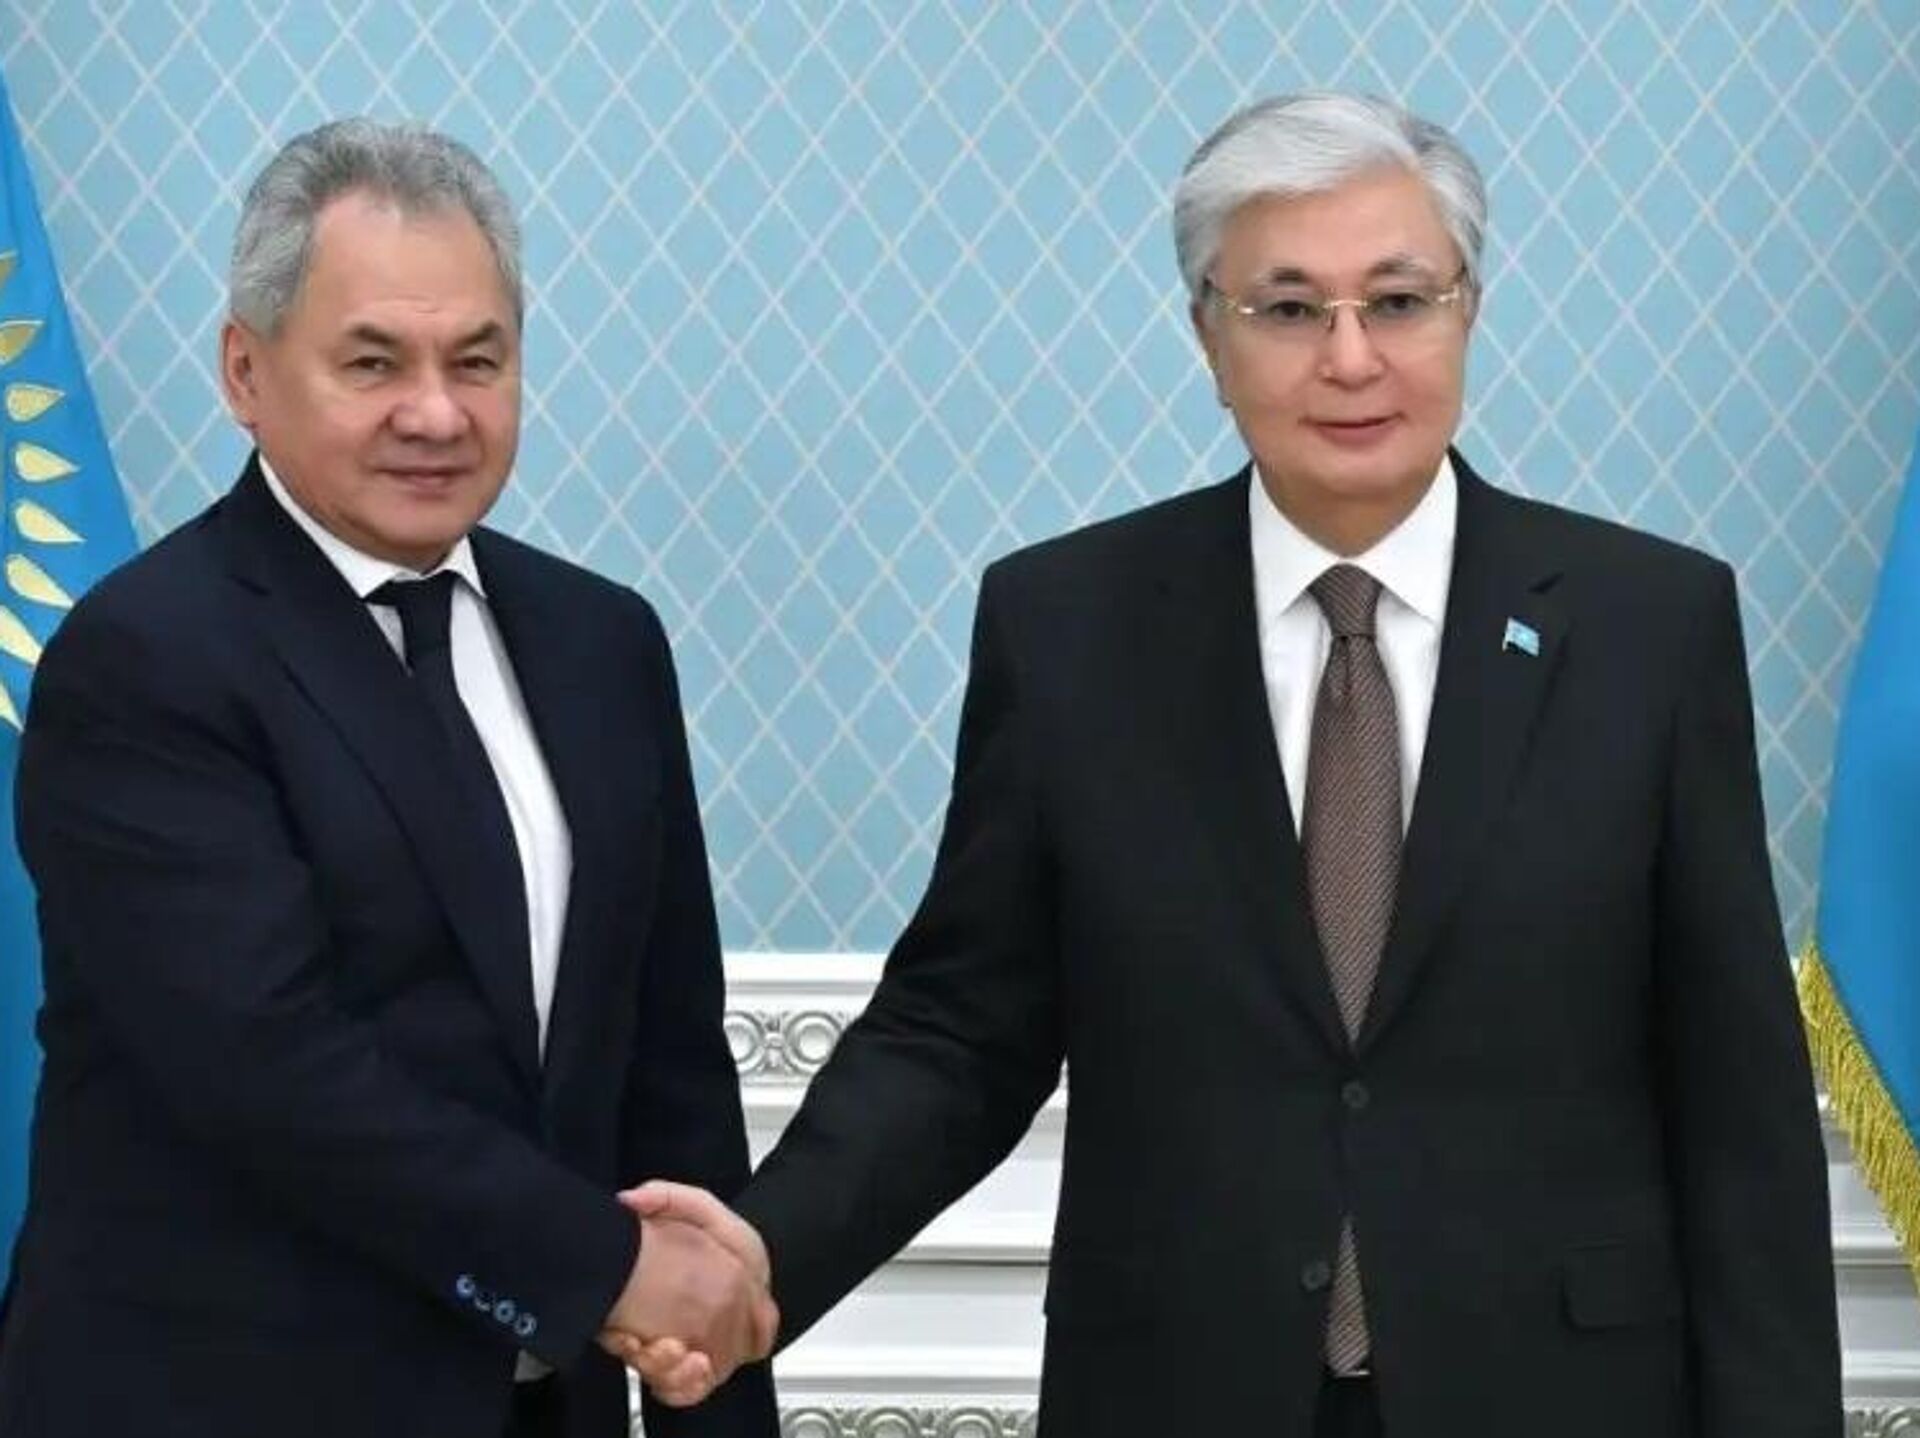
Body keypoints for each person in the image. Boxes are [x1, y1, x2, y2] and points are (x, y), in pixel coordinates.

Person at [615, 93, 1843, 1437]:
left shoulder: (1648, 626)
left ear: (1469, 312)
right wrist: (763, 1252)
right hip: (1180, 1388)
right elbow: (963, 1029)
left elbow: (1739, 1106)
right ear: (1208, 333)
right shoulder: (1068, 627)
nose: (1352, 359)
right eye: (1290, 308)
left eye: (1399, 301)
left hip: (1558, 1395)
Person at [0, 119, 776, 1438]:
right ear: (246, 371)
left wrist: (712, 1376)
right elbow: (275, 1073)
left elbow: (669, 1071)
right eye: (373, 362)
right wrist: (609, 1271)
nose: (436, 412)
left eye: (478, 359)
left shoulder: (602, 641)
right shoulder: (144, 657)